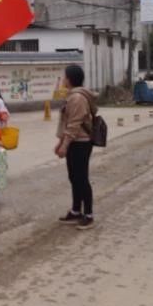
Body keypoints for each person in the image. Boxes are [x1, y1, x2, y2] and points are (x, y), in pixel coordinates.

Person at [56, 64, 99, 230]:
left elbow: (74, 124)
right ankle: (76, 210)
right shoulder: (72, 96)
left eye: (64, 76)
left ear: (69, 79)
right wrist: (61, 142)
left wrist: (64, 145)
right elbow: (66, 124)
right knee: (74, 177)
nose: (63, 79)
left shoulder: (77, 98)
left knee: (81, 178)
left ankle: (88, 214)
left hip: (81, 142)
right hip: (74, 141)